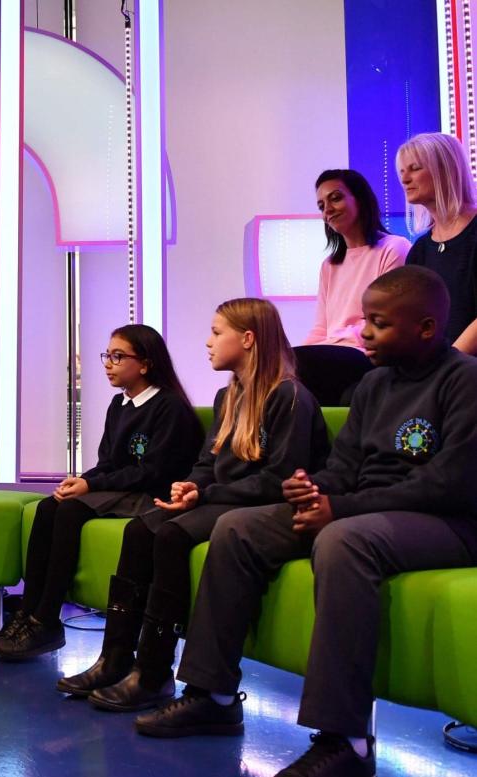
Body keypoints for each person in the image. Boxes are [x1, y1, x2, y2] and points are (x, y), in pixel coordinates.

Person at [137, 266, 477, 777]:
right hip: (369, 509)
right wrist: (312, 488)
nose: (363, 333)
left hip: (447, 522)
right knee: (238, 528)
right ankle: (214, 695)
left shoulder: (464, 381)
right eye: (365, 320)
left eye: (378, 324)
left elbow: (450, 484)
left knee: (343, 539)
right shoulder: (372, 385)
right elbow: (344, 469)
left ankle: (345, 740)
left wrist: (339, 508)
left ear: (426, 328)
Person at [59, 298, 329, 712]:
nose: (208, 342)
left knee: (168, 535)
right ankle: (115, 657)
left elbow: (278, 482)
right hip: (223, 499)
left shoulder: (290, 396)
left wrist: (206, 494)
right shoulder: (228, 397)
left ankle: (153, 673)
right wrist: (191, 486)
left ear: (248, 338)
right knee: (141, 529)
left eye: (217, 332)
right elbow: (208, 462)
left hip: (262, 507)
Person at [0, 324, 204, 661]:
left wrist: (93, 486)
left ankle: (46, 618)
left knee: (72, 511)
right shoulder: (118, 405)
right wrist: (82, 480)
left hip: (151, 495)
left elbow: (152, 472)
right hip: (123, 488)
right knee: (49, 507)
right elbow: (108, 463)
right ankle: (27, 613)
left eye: (118, 357)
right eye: (107, 355)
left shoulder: (169, 406)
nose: (108, 364)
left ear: (145, 364)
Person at [294, 169, 409, 405]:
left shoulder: (393, 248)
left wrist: (318, 350)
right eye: (321, 205)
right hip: (331, 355)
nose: (327, 210)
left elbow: (384, 320)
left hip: (366, 353)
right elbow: (320, 327)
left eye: (335, 198)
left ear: (360, 199)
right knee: (277, 366)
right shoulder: (329, 265)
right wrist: (290, 360)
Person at [399, 133, 477, 354]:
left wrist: (446, 369)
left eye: (415, 168)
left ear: (445, 170)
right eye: (402, 171)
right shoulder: (419, 251)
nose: (404, 179)